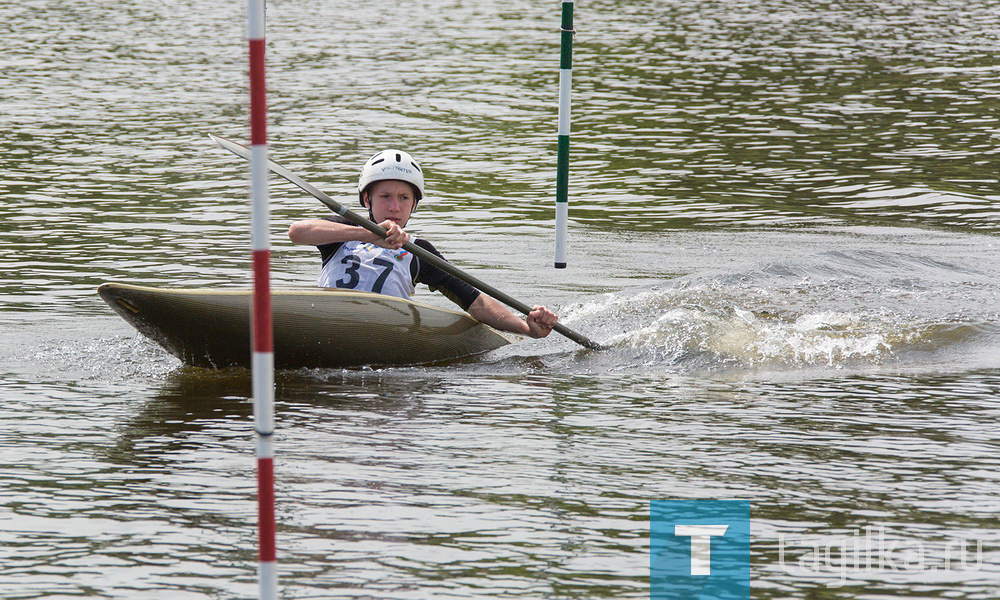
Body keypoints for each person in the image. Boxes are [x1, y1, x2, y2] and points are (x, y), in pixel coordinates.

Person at [287, 149, 558, 338]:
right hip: (328, 319)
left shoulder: (419, 251)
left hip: (387, 329)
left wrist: (527, 329)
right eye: (385, 196)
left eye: (404, 198)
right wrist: (368, 235)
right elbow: (297, 232)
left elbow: (477, 304)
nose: (394, 207)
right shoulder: (341, 232)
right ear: (367, 200)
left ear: (414, 205)